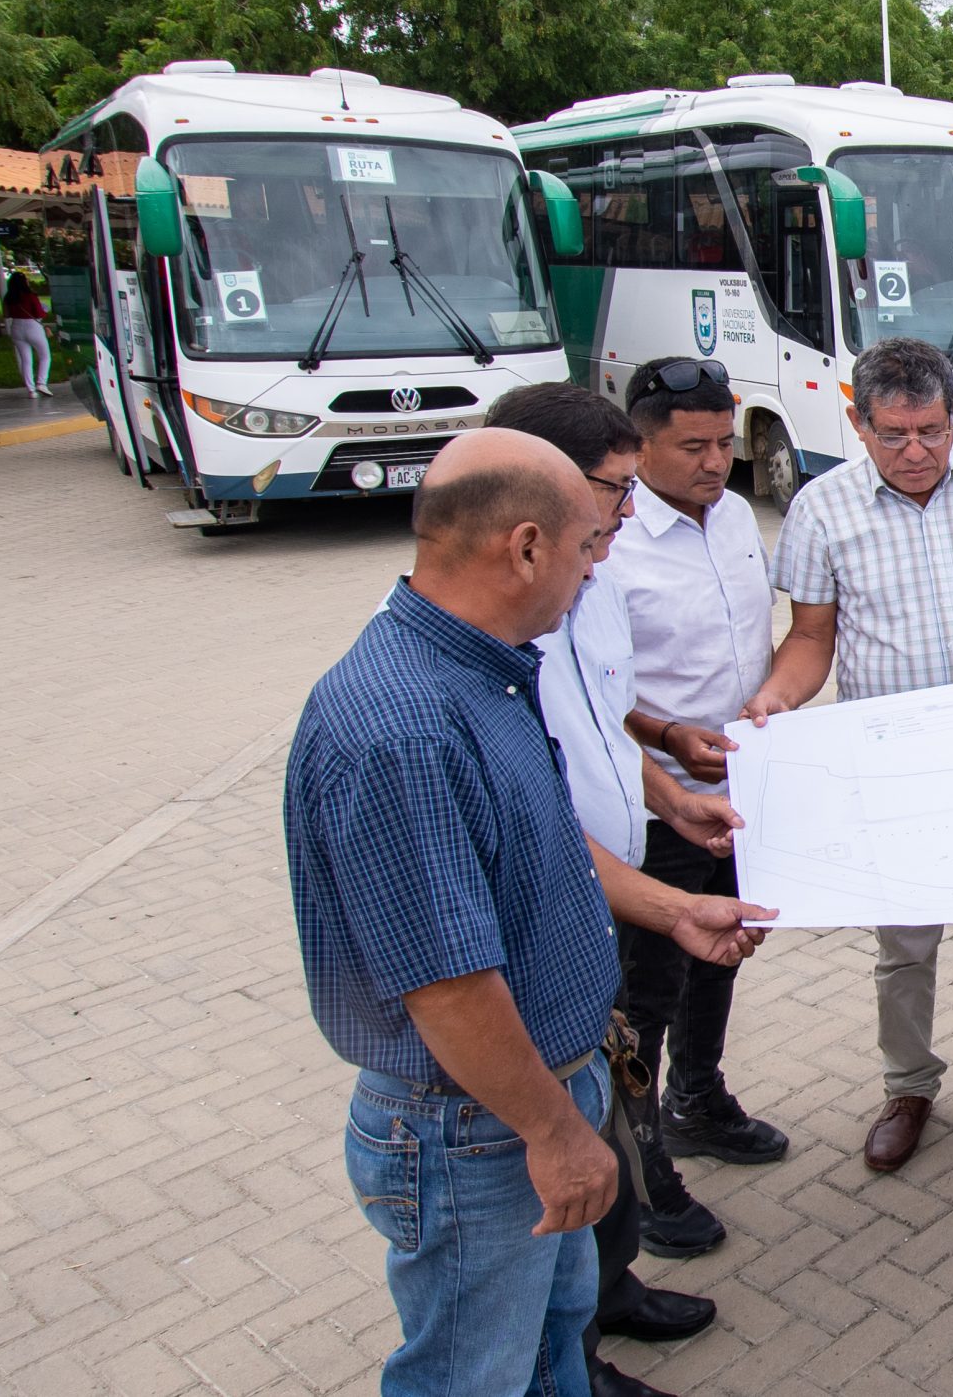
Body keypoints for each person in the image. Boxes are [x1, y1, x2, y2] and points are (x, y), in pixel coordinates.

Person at [285, 429, 773, 1397]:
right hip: (480, 1124)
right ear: (524, 548)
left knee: (556, 1348)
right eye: (591, 546)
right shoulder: (404, 728)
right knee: (471, 1373)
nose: (600, 567)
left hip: (533, 1093)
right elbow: (448, 986)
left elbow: (546, 840)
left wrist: (671, 907)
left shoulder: (485, 666)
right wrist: (553, 1135)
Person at [747, 337, 953, 1171]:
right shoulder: (823, 508)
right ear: (857, 421)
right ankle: (908, 1084)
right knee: (905, 944)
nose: (915, 452)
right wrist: (775, 700)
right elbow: (812, 636)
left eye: (931, 430)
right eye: (892, 434)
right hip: (889, 768)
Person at [485, 383, 741, 1397]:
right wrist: (666, 899)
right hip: (560, 905)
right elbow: (538, 813)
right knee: (566, 1130)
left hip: (613, 880)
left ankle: (610, 1286)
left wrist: (669, 790)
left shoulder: (581, 590)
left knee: (611, 1084)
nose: (628, 517)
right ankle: (572, 1355)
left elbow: (598, 725)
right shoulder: (497, 633)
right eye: (613, 493)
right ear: (532, 498)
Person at [603, 356, 789, 1259]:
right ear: (638, 447)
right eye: (694, 446)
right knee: (645, 992)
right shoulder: (605, 544)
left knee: (723, 953)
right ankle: (642, 1179)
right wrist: (667, 733)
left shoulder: (736, 522)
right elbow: (589, 686)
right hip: (652, 809)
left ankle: (697, 1099)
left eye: (726, 442)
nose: (718, 461)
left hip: (739, 793)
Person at [4, 271, 51, 398]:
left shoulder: (8, 298)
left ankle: (31, 390)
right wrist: (45, 310)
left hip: (16, 327)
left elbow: (6, 314)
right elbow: (39, 314)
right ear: (24, 282)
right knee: (45, 356)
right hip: (32, 327)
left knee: (26, 359)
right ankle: (41, 383)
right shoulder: (31, 296)